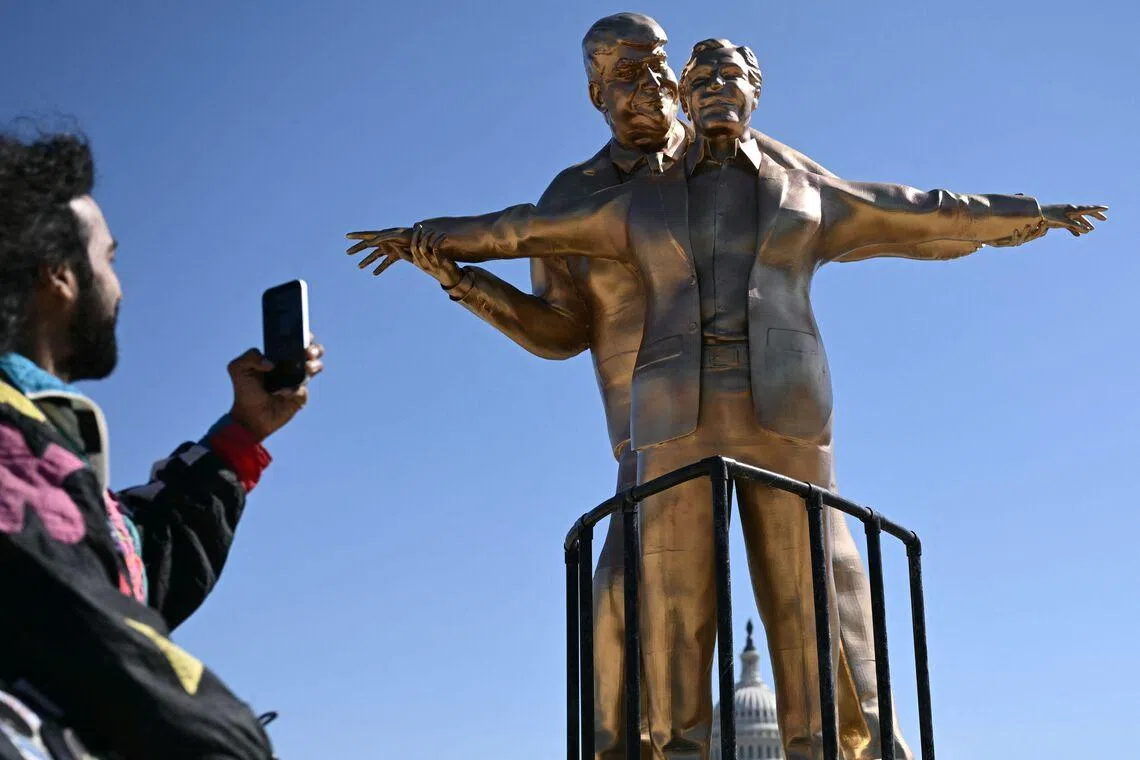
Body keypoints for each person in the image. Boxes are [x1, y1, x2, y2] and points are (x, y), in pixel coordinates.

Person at [349, 37, 1105, 760]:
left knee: (818, 599)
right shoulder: (634, 203)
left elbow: (920, 209)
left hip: (787, 411)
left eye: (728, 78)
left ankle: (832, 749)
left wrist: (1031, 214)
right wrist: (432, 240)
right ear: (684, 94)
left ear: (756, 90)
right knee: (671, 613)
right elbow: (523, 229)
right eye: (699, 80)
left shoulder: (803, 185)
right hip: (674, 415)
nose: (712, 90)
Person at [0, 130, 323, 759]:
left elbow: (129, 559)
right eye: (109, 259)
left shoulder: (38, 450)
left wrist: (242, 433)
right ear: (59, 275)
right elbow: (89, 635)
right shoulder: (10, 446)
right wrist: (237, 741)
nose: (119, 288)